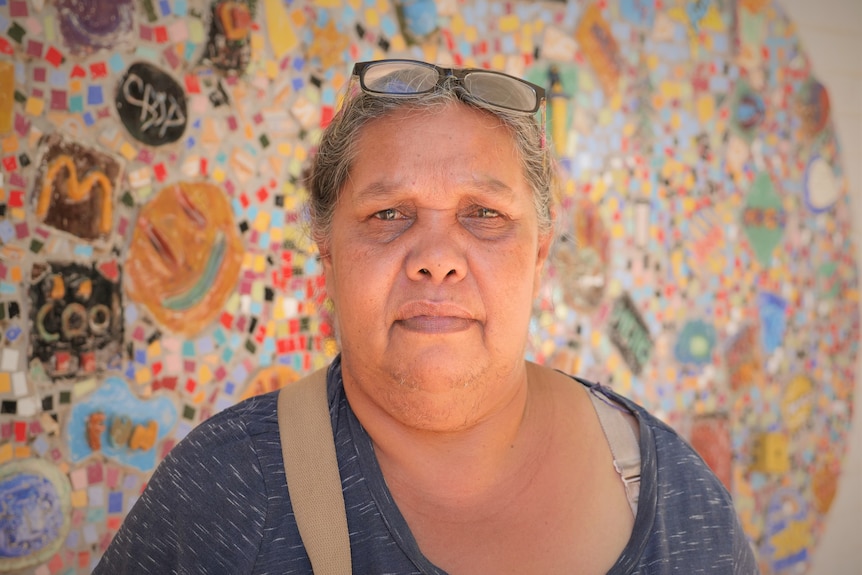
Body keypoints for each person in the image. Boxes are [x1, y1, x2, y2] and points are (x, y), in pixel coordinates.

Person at [95, 59, 759, 574]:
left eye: (485, 215)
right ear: (327, 255)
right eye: (388, 214)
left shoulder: (678, 497)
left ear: (539, 257)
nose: (437, 259)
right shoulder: (222, 493)